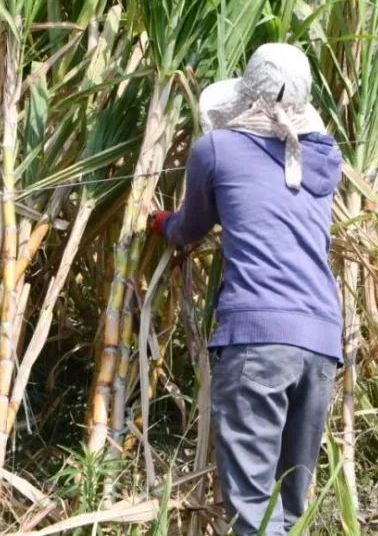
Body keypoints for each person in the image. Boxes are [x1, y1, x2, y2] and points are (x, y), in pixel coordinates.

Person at [148, 43, 342, 535]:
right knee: (290, 507)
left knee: (255, 509)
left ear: (244, 97)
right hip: (321, 343)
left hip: (257, 339)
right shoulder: (324, 156)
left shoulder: (216, 148)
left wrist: (160, 223)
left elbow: (190, 228)